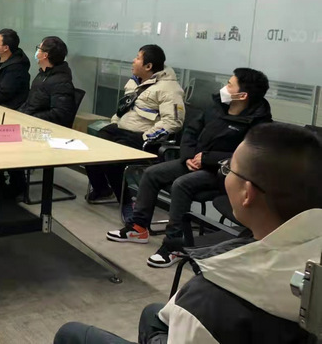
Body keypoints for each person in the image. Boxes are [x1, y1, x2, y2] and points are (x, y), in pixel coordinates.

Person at [55, 122, 322, 344]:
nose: (226, 174)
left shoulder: (211, 292)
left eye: (228, 168)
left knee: (71, 334)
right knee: (153, 313)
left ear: (246, 193)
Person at [107, 68, 272, 268]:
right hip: (193, 161)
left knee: (181, 184)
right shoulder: (217, 107)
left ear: (242, 95)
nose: (224, 88)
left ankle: (174, 245)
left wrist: (207, 159)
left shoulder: (259, 124)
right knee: (151, 174)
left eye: (230, 85)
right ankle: (139, 228)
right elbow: (191, 132)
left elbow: (248, 157)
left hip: (223, 173)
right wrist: (188, 157)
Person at [85, 45, 185, 206]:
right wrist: (115, 123)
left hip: (143, 137)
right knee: (91, 147)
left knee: (113, 159)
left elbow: (173, 121)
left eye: (138, 58)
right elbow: (123, 108)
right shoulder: (134, 81)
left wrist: (147, 137)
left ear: (148, 66)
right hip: (122, 129)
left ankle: (127, 203)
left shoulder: (169, 89)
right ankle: (102, 190)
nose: (133, 60)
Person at [18, 36, 76, 127]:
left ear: (45, 55)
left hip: (41, 127)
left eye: (39, 48)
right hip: (28, 121)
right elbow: (30, 103)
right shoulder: (43, 74)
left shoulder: (61, 81)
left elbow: (59, 114)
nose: (37, 51)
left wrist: (31, 117)